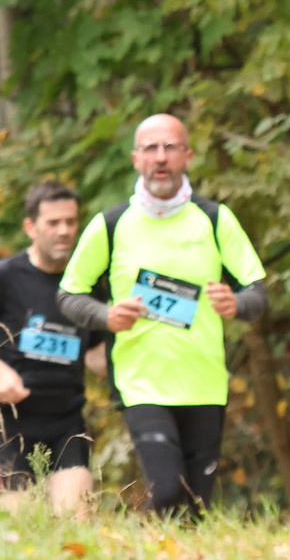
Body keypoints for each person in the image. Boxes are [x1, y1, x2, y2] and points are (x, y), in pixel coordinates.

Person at [57, 114, 267, 516]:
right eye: (150, 148)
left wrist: (236, 304)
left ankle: (160, 554)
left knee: (195, 507)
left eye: (170, 147)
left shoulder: (215, 219)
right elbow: (69, 294)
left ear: (188, 156)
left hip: (204, 382)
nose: (160, 157)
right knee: (168, 489)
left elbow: (257, 291)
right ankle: (140, 544)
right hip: (141, 383)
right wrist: (106, 315)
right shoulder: (110, 224)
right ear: (136, 159)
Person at [0, 180, 107, 516]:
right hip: (12, 420)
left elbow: (97, 355)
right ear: (30, 227)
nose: (64, 231)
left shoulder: (86, 282)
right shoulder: (7, 276)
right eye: (53, 223)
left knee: (76, 517)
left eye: (70, 222)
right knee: (21, 521)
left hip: (67, 418)